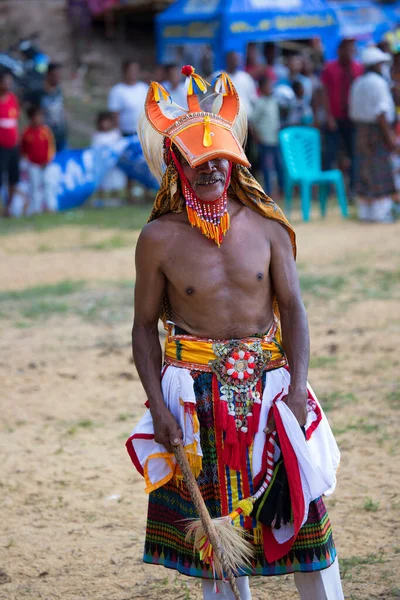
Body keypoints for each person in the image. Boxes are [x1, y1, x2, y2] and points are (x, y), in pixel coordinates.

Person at [127, 66, 344, 600]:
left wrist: (296, 391)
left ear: (234, 161)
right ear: (178, 163)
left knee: (305, 525)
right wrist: (158, 406)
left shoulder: (268, 226)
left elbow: (294, 310)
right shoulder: (157, 239)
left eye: (222, 160)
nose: (213, 171)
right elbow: (142, 328)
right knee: (217, 549)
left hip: (271, 391)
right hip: (195, 400)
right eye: (200, 162)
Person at [350, 46, 396, 222]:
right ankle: (381, 213)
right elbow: (382, 113)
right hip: (376, 131)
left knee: (364, 170)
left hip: (360, 130)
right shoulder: (378, 83)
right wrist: (389, 137)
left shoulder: (358, 82)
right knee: (379, 169)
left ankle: (366, 212)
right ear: (375, 65)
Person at [320, 39, 363, 196]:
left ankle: (353, 188)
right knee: (330, 154)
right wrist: (328, 116)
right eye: (347, 49)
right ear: (340, 51)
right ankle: (326, 190)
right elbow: (324, 93)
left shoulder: (358, 68)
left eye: (352, 49)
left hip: (352, 118)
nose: (350, 52)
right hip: (335, 118)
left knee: (354, 154)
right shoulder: (330, 68)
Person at [108, 60, 147, 202]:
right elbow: (115, 113)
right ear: (125, 72)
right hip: (126, 133)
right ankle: (129, 192)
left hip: (142, 133)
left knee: (145, 163)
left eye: (136, 70)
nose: (133, 74)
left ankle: (146, 191)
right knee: (129, 164)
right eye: (131, 70)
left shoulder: (143, 88)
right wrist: (117, 132)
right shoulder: (118, 91)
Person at [21, 105, 56, 215]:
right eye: (36, 117)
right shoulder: (26, 133)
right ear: (30, 118)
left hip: (46, 164)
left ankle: (50, 208)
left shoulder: (45, 131)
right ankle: (37, 210)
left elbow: (51, 147)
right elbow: (23, 150)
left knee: (48, 185)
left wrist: (47, 160)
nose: (38, 119)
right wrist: (29, 162)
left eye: (40, 116)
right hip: (33, 165)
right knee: (35, 188)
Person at [251, 76, 283, 196]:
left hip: (275, 139)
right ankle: (269, 191)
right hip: (265, 140)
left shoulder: (274, 102)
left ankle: (281, 189)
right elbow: (253, 121)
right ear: (261, 88)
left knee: (278, 165)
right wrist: (257, 136)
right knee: (267, 167)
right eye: (267, 86)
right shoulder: (260, 103)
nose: (270, 88)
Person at [27, 62, 67, 152]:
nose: (58, 78)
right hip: (45, 137)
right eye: (55, 75)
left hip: (61, 136)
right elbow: (27, 106)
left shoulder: (58, 90)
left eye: (59, 75)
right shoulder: (38, 91)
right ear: (48, 75)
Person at [91, 110, 126, 205]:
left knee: (115, 180)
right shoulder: (96, 136)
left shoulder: (115, 134)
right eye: (103, 121)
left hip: (114, 164)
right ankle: (100, 199)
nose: (105, 124)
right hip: (102, 164)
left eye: (107, 121)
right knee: (102, 181)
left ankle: (115, 199)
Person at [0, 71, 20, 217]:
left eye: (10, 81)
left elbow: (15, 121)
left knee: (13, 178)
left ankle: (9, 208)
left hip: (13, 146)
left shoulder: (13, 99)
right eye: (5, 81)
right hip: (1, 147)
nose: (8, 84)